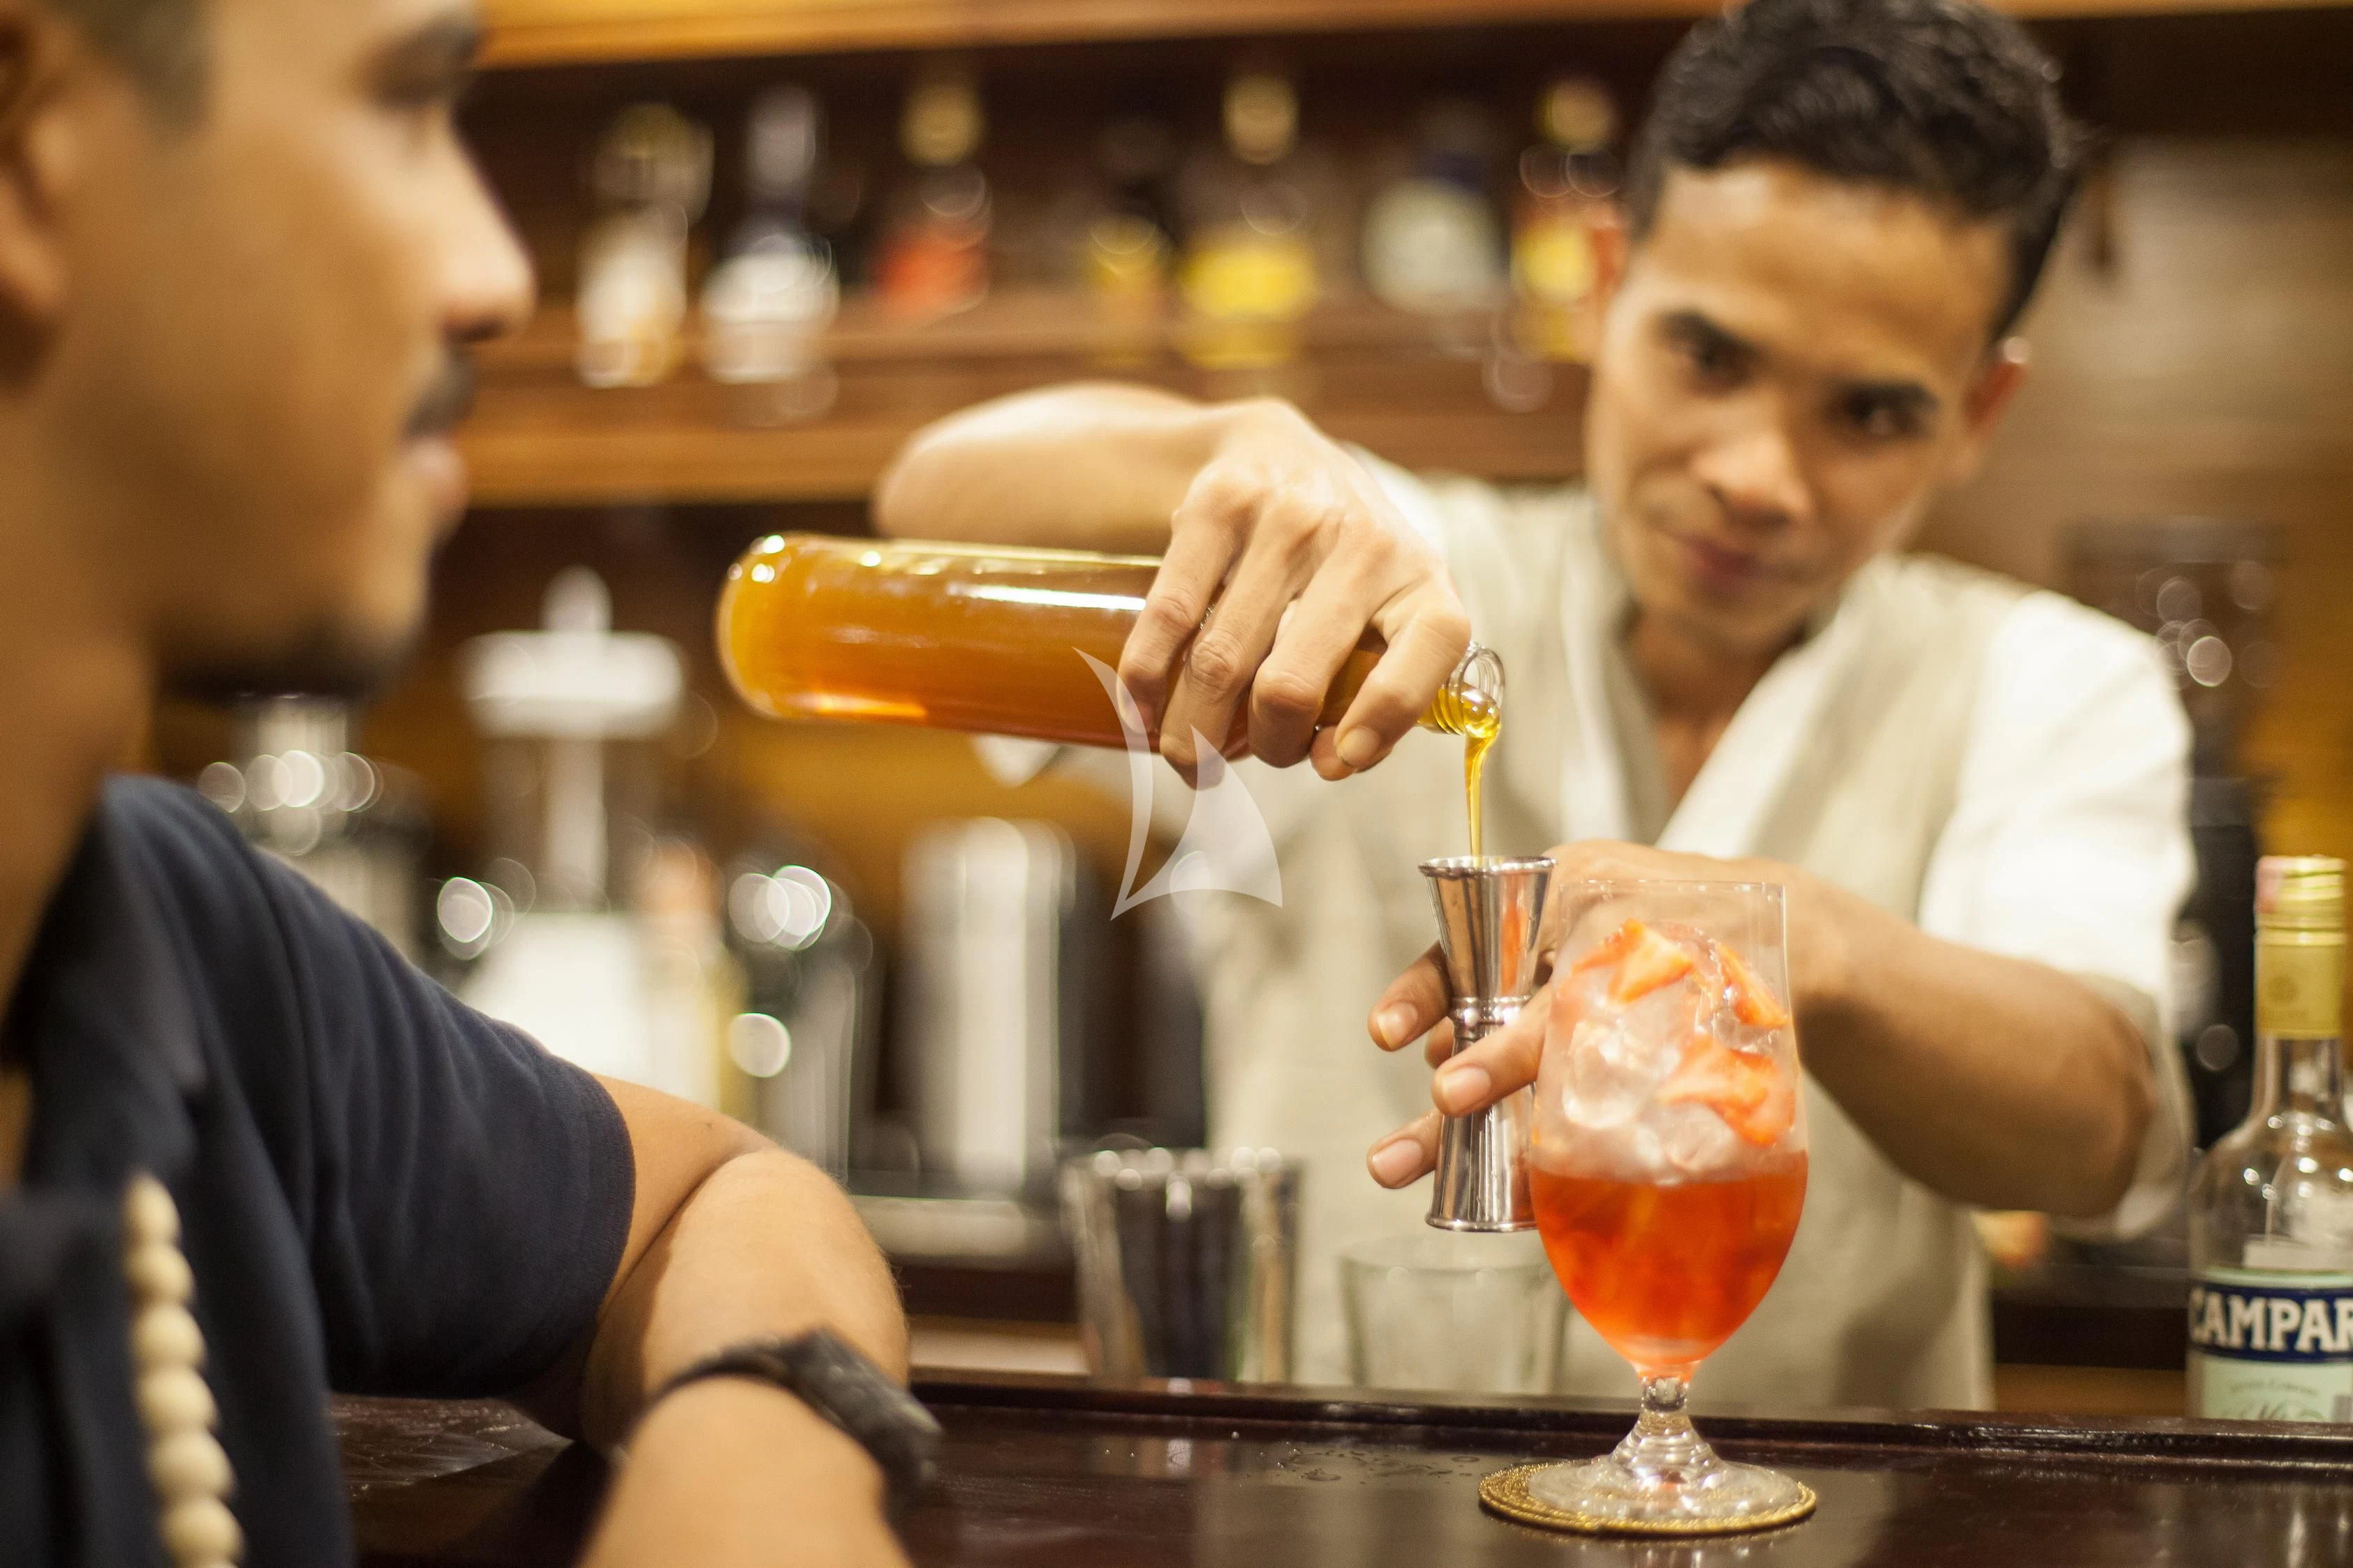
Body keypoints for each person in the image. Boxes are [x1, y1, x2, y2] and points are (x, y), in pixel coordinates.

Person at [875, 0, 2195, 1405]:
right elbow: (914, 524)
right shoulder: (1379, 577)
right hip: (1342, 1514)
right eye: (1708, 355)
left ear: (1976, 413)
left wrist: (1783, 938)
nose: (1756, 471)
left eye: (1867, 413)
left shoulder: (2043, 678)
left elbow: (2105, 1129)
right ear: (1606, 282)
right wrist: (1227, 445)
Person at [0, 1, 923, 1564]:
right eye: (406, 106)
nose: (497, 273)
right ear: (28, 153)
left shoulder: (177, 932)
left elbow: (720, 1198)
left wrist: (754, 1459)